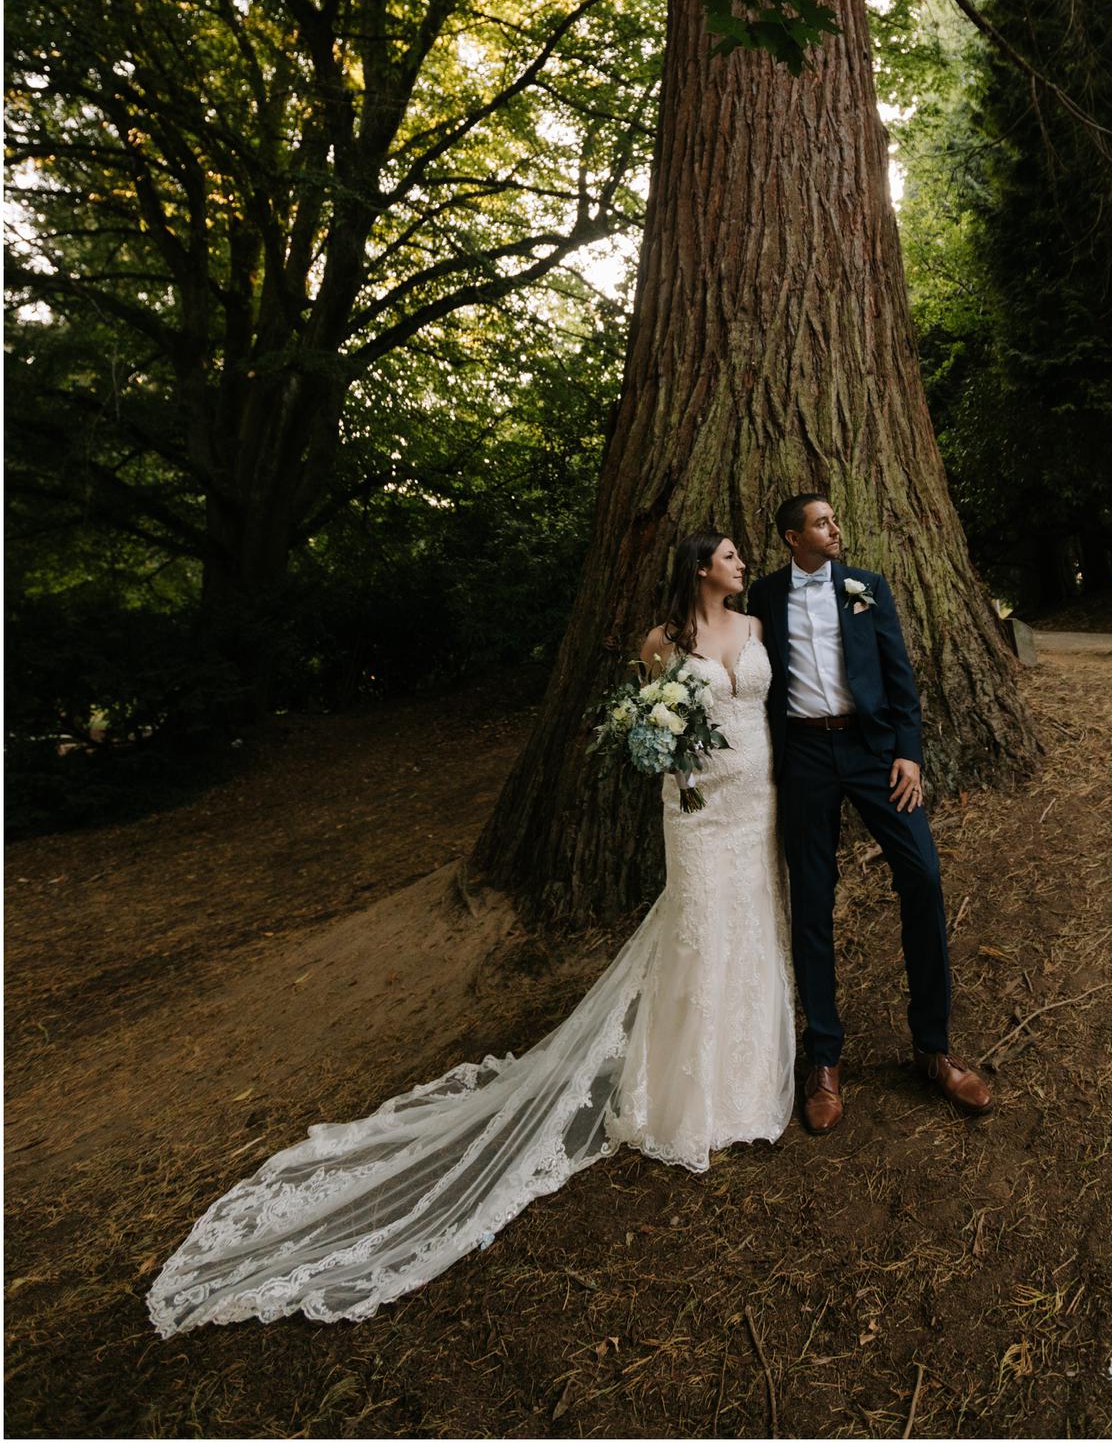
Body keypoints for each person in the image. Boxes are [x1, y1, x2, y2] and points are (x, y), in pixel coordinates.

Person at [146, 531, 794, 1336]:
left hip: (756, 798)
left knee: (749, 921)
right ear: (700, 568)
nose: (742, 565)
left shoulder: (759, 631)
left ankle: (746, 1069)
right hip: (696, 813)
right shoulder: (662, 643)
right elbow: (642, 729)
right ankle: (685, 1093)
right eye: (729, 556)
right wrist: (661, 748)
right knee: (696, 932)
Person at [747, 493, 993, 1134]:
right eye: (823, 523)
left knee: (923, 876)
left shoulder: (865, 586)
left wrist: (909, 754)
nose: (836, 530)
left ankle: (933, 1049)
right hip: (803, 754)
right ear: (791, 538)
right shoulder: (765, 598)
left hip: (872, 750)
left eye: (835, 520)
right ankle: (824, 1060)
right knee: (812, 897)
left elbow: (899, 673)